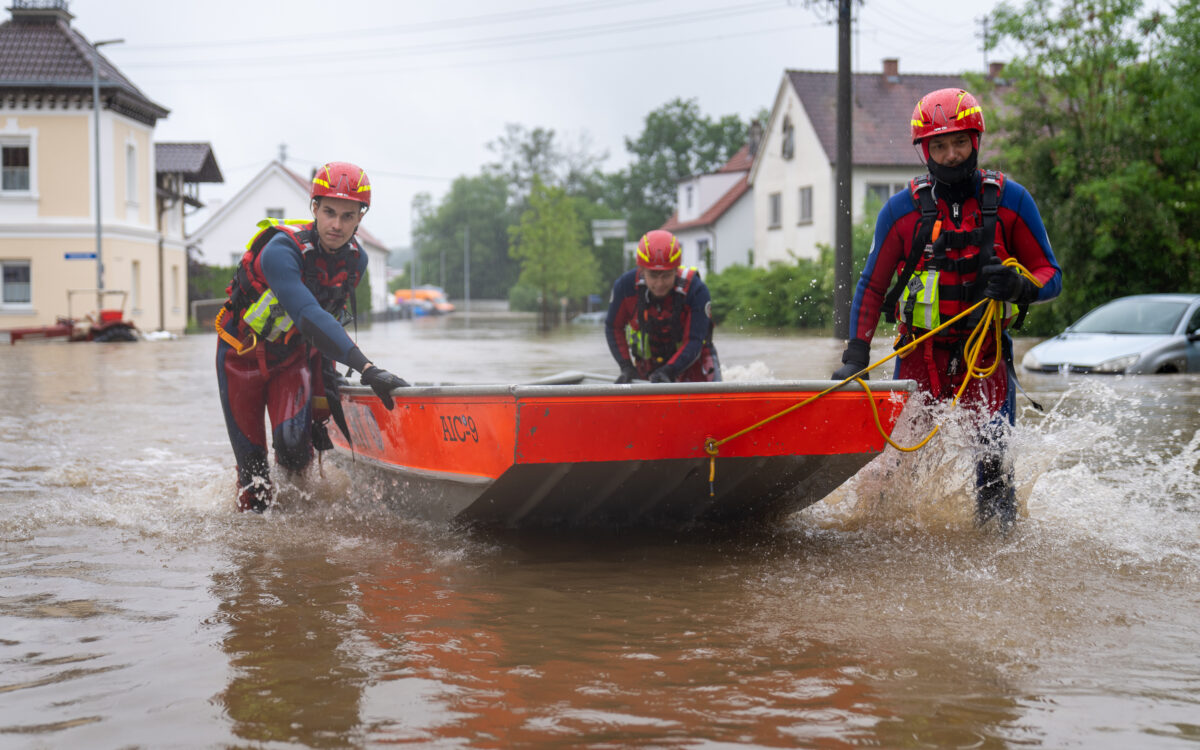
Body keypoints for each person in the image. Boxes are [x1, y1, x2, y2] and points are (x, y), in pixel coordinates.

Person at [833, 88, 1062, 530]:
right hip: (919, 356)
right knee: (902, 467)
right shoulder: (900, 212)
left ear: (976, 139)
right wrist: (855, 359)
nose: (951, 154)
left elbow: (1050, 274)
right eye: (939, 145)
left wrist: (1020, 286)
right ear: (924, 151)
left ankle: (998, 561)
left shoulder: (1013, 201)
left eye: (959, 142)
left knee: (994, 470)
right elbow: (871, 286)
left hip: (986, 358)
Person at [215, 161, 409, 512]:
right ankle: (255, 554)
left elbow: (326, 326)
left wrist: (323, 398)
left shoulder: (356, 261)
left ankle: (300, 546)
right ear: (314, 209)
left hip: (292, 358)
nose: (337, 225)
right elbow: (307, 314)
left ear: (360, 220)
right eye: (330, 212)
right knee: (254, 480)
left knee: (293, 449)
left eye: (348, 217)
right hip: (240, 358)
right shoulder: (281, 251)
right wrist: (366, 367)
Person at [605, 229, 720, 383]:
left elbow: (694, 340)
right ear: (642, 270)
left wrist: (669, 371)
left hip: (695, 363)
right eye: (653, 275)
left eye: (666, 276)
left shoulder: (696, 290)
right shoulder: (625, 287)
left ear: (676, 270)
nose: (659, 284)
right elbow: (613, 327)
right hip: (648, 364)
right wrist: (626, 366)